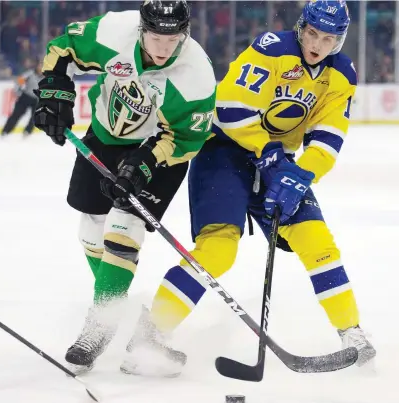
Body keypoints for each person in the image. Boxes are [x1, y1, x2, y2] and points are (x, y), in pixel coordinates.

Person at [120, 0, 376, 378]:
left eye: (328, 38)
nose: (317, 45)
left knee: (315, 239)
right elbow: (230, 109)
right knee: (219, 249)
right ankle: (149, 334)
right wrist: (270, 150)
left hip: (280, 162)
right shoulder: (271, 49)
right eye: (312, 34)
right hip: (225, 150)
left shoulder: (341, 74)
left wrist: (300, 175)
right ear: (301, 28)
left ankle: (352, 333)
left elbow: (329, 136)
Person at [32, 0, 216, 374]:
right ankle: (122, 309)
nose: (163, 48)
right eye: (155, 37)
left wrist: (145, 163)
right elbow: (64, 46)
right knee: (91, 228)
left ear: (186, 34)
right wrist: (55, 90)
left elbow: (187, 139)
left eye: (173, 38)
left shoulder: (195, 75)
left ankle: (99, 324)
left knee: (123, 229)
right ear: (141, 29)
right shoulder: (113, 30)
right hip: (104, 135)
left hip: (160, 153)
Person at [1, 60, 42, 137]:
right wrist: (17, 91)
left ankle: (27, 132)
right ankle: (6, 131)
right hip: (26, 97)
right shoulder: (30, 74)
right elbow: (19, 81)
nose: (41, 67)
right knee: (16, 115)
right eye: (40, 65)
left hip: (37, 99)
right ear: (37, 66)